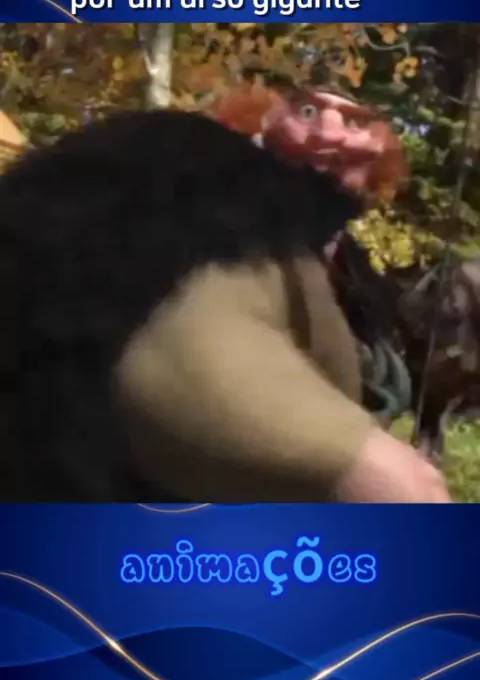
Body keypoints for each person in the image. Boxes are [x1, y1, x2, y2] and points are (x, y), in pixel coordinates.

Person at [0, 96, 451, 502]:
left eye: (355, 121)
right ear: (254, 127)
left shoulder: (359, 275)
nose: (330, 133)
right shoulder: (198, 222)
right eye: (308, 111)